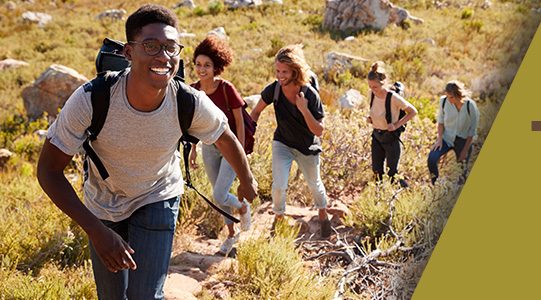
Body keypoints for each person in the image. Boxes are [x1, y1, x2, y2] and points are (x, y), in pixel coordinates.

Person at [36, 4, 257, 299]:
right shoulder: (92, 98)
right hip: (103, 206)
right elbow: (48, 171)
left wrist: (246, 179)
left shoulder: (188, 101)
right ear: (129, 52)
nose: (163, 56)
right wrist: (96, 231)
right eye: (151, 46)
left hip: (158, 195)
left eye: (170, 48)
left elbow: (225, 137)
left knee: (145, 296)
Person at [249, 44, 332, 235]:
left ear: (295, 71)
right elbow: (256, 112)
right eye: (278, 71)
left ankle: (323, 215)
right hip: (283, 143)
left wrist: (304, 109)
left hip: (307, 147)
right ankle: (278, 221)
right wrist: (247, 136)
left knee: (315, 186)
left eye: (285, 72)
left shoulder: (309, 94)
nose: (280, 75)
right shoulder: (274, 90)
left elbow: (319, 131)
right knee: (279, 186)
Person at [188, 34, 253, 255]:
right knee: (219, 195)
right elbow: (193, 124)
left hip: (230, 148)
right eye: (198, 64)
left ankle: (243, 207)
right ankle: (232, 235)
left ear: (216, 66)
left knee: (219, 195)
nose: (202, 69)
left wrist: (241, 151)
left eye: (207, 65)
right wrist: (193, 149)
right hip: (208, 147)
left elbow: (241, 123)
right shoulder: (193, 90)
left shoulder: (226, 88)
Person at [365, 62, 417, 187]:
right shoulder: (371, 94)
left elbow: (412, 111)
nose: (372, 89)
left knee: (393, 174)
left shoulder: (393, 98)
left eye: (375, 87)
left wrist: (397, 125)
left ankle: (406, 193)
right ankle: (380, 200)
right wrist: (370, 118)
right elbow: (376, 110)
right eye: (370, 86)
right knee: (377, 173)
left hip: (391, 139)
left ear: (383, 83)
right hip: (377, 137)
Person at [428, 81, 479, 184]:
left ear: (458, 95)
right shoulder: (443, 101)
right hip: (447, 138)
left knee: (461, 171)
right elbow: (441, 122)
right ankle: (435, 186)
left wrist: (464, 151)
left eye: (451, 97)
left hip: (464, 140)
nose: (448, 99)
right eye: (446, 96)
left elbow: (471, 131)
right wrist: (439, 140)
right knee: (432, 159)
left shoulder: (470, 106)